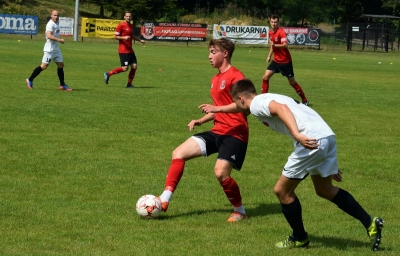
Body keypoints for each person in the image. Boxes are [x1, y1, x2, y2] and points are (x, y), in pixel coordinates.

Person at [200, 78, 384, 250]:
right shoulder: (266, 97)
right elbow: (248, 106)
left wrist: (296, 134)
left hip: (309, 139)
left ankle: (299, 237)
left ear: (241, 98)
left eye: (238, 103)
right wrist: (218, 109)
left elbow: (281, 110)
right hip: (325, 135)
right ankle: (370, 222)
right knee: (325, 189)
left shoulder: (257, 105)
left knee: (282, 191)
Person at [158, 38, 249, 222]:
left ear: (225, 53)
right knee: (179, 153)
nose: (209, 56)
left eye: (213, 52)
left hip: (235, 132)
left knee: (221, 173)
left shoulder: (236, 77)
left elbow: (245, 106)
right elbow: (218, 107)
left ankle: (240, 211)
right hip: (218, 130)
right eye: (209, 52)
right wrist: (201, 120)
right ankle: (164, 199)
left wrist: (217, 109)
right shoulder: (215, 79)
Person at [262, 14, 308, 105]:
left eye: (275, 22)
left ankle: (304, 99)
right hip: (275, 61)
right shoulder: (270, 33)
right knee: (265, 77)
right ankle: (263, 99)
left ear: (278, 23)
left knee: (292, 82)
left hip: (285, 62)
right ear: (270, 22)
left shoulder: (281, 32)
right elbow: (272, 46)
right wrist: (269, 56)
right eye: (272, 22)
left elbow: (285, 45)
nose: (274, 24)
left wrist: (275, 45)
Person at [26, 10, 71, 91]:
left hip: (56, 49)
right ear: (51, 15)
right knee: (43, 66)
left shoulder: (56, 23)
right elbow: (49, 36)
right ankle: (30, 79)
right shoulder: (50, 24)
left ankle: (62, 84)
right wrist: (59, 40)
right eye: (55, 15)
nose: (56, 17)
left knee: (61, 65)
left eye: (57, 15)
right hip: (49, 49)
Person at [103, 11, 145, 88]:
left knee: (134, 67)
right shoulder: (121, 25)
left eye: (130, 16)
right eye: (127, 16)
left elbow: (132, 36)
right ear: (124, 17)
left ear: (131, 17)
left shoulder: (132, 26)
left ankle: (129, 84)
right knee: (124, 68)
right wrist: (124, 38)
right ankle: (108, 74)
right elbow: (115, 36)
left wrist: (140, 40)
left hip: (130, 50)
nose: (128, 17)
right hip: (123, 51)